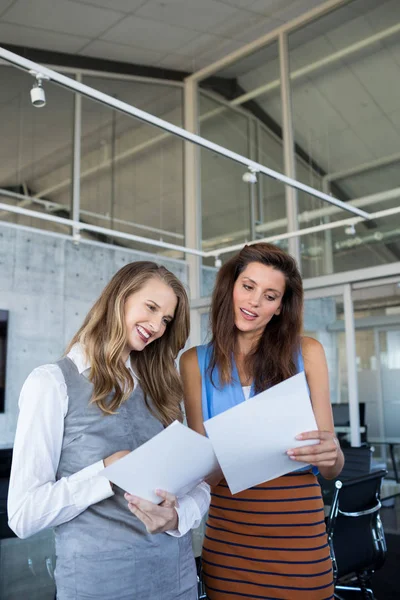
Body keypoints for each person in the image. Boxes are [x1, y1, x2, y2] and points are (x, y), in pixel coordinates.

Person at [8, 261, 210, 600]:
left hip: (177, 582)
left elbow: (199, 485)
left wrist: (176, 517)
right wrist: (105, 472)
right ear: (119, 298)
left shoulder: (162, 389)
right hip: (98, 587)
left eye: (166, 320)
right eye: (151, 307)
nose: (157, 326)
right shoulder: (52, 383)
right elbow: (23, 514)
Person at [180, 243, 344, 600]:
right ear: (231, 286)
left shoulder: (309, 352)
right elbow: (199, 466)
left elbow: (332, 466)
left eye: (270, 295)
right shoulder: (193, 362)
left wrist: (331, 455)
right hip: (230, 535)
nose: (255, 302)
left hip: (299, 531)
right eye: (248, 286)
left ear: (280, 307)